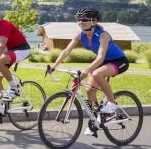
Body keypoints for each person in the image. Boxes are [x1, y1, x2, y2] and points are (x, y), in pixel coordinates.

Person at [48, 7, 129, 135]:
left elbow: (100, 57)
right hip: (103, 63)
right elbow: (66, 51)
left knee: (97, 73)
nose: (81, 22)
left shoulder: (103, 35)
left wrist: (86, 70)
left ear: (94, 21)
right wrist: (54, 66)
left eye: (84, 19)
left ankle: (112, 104)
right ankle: (96, 120)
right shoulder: (80, 35)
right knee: (89, 90)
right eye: (78, 20)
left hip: (119, 61)